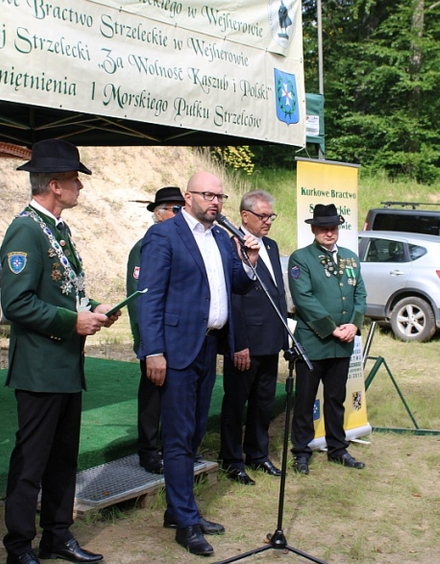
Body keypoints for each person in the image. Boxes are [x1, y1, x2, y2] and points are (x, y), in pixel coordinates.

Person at [0, 139, 119, 564]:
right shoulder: (26, 229)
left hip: (65, 365)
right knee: (32, 461)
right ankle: (18, 545)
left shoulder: (56, 228)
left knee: (63, 458)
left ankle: (57, 536)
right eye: (74, 180)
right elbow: (15, 304)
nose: (79, 187)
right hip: (39, 367)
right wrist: (72, 321)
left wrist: (94, 308)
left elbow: (65, 292)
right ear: (53, 185)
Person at [137, 171, 259, 557]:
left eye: (220, 196)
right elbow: (149, 298)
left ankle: (179, 510)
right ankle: (186, 522)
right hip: (175, 351)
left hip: (208, 348)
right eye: (208, 195)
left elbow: (237, 284)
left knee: (191, 435)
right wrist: (152, 351)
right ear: (187, 197)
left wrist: (250, 261)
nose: (216, 202)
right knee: (177, 436)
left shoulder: (221, 238)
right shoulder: (164, 235)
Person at [287, 203, 367, 475]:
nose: (329, 233)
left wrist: (354, 326)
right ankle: (301, 451)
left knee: (336, 398)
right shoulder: (302, 258)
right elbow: (304, 299)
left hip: (342, 342)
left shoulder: (350, 258)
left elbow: (360, 295)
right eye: (323, 228)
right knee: (305, 399)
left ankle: (337, 448)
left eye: (332, 227)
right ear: (313, 229)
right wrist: (332, 328)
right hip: (313, 342)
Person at [219, 190, 289, 486]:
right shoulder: (231, 244)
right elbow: (234, 298)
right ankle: (231, 459)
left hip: (270, 338)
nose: (268, 221)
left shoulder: (270, 246)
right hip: (246, 340)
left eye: (271, 216)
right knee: (237, 402)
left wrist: (284, 335)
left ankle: (257, 454)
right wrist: (239, 343)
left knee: (264, 400)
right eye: (262, 216)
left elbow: (277, 293)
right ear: (245, 216)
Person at [126, 186, 186, 474]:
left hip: (179, 336)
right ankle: (149, 451)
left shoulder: (183, 243)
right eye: (174, 209)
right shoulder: (145, 245)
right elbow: (139, 297)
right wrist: (147, 343)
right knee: (152, 398)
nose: (179, 214)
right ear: (159, 214)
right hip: (155, 337)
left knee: (175, 398)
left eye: (181, 208)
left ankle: (170, 448)